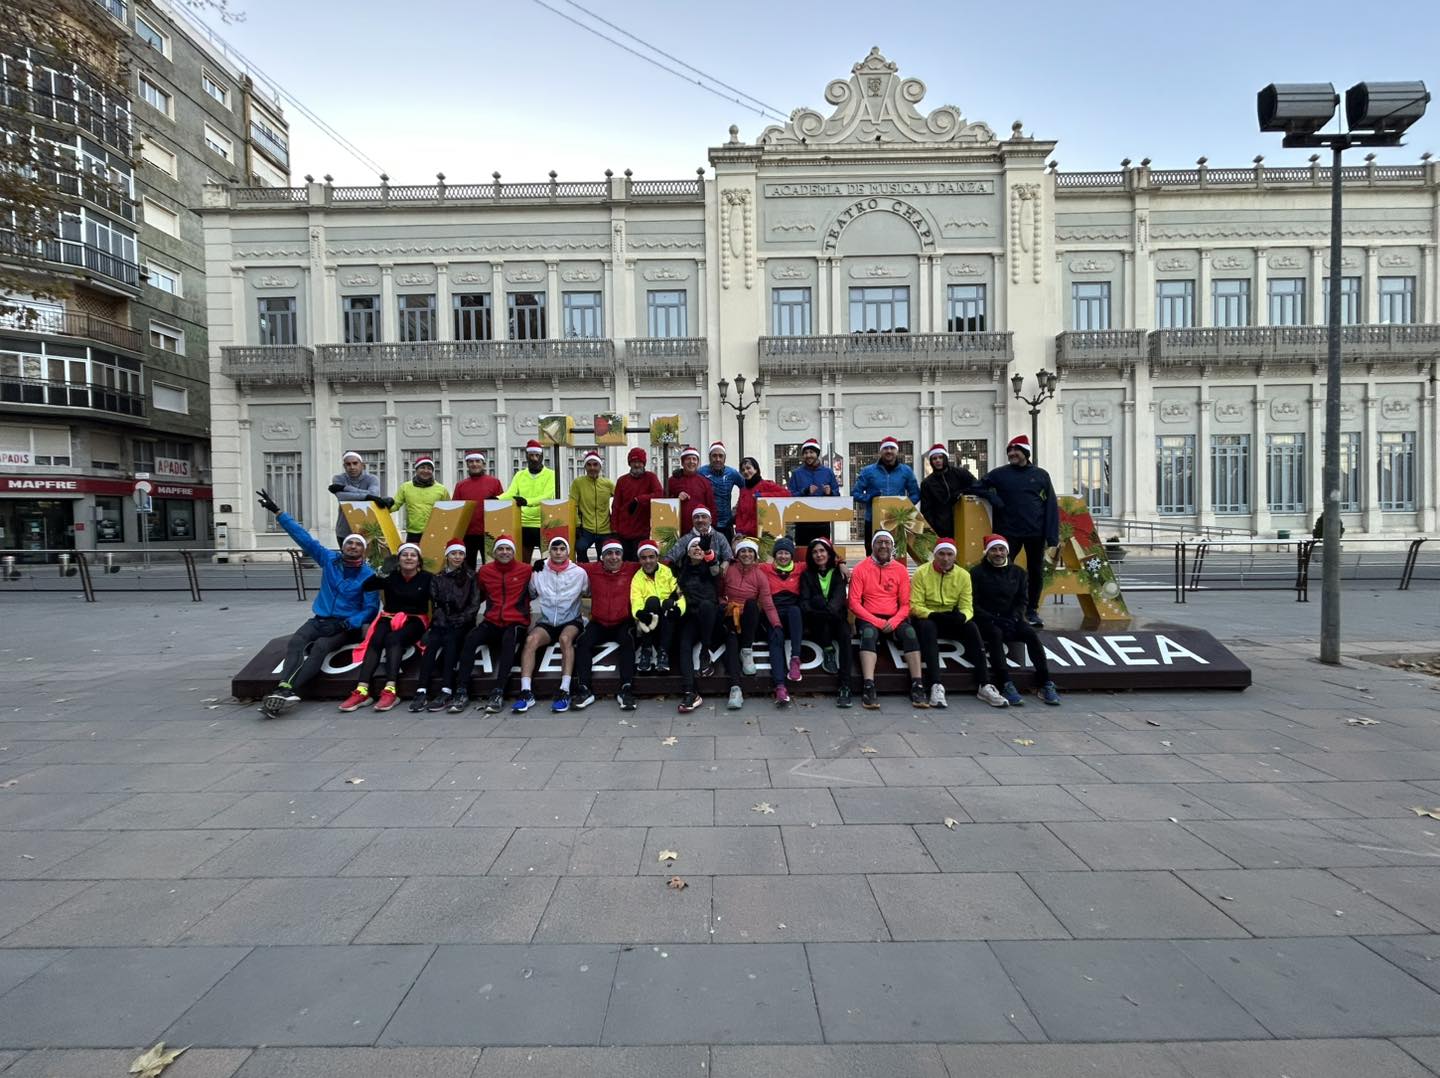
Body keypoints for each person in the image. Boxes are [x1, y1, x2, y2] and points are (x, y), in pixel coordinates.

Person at [254, 488, 379, 717]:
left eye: (357, 545)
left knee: (320, 647)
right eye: (349, 543)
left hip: (344, 626)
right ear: (343, 546)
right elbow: (303, 537)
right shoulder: (329, 560)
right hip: (320, 619)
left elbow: (371, 609)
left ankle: (286, 690)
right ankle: (284, 689)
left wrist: (350, 623)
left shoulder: (368, 575)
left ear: (364, 550)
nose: (352, 547)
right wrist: (279, 513)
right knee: (296, 642)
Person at [911, 538, 1008, 709]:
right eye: (941, 554)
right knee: (927, 628)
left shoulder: (963, 575)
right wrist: (932, 614)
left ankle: (984, 685)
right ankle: (936, 685)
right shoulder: (921, 572)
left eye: (950, 554)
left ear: (954, 556)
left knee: (971, 627)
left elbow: (967, 606)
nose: (945, 558)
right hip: (929, 617)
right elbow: (915, 605)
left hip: (952, 616)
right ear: (935, 555)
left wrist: (963, 617)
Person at [339, 542, 433, 713]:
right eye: (405, 555)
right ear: (398, 560)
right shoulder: (391, 576)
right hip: (389, 617)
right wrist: (381, 572)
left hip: (414, 620)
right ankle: (362, 690)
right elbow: (367, 586)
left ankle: (390, 689)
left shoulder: (427, 578)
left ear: (419, 561)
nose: (409, 558)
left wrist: (433, 628)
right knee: (375, 640)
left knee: (393, 639)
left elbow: (438, 602)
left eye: (413, 555)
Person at [979, 434, 1059, 628]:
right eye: (1010, 451)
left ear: (1026, 452)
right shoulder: (999, 474)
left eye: (1016, 450)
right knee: (1003, 570)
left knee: (1035, 572)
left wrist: (1052, 537)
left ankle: (1032, 610)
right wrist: (993, 498)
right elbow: (976, 486)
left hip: (1035, 532)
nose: (1012, 453)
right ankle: (1005, 609)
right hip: (1008, 532)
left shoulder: (1041, 475)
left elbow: (1051, 505)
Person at [970, 534, 1061, 706]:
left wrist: (1014, 617)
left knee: (1030, 634)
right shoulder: (976, 573)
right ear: (987, 552)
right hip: (988, 620)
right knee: (995, 635)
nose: (998, 553)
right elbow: (973, 603)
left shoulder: (1019, 572)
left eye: (1001, 549)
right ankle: (1005, 683)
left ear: (1007, 551)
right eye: (994, 550)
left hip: (1011, 618)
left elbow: (1022, 600)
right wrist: (991, 618)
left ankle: (1045, 682)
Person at [847, 529, 926, 710]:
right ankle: (868, 685)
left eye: (887, 542)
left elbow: (906, 604)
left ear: (892, 546)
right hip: (869, 617)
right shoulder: (861, 568)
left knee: (910, 632)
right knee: (867, 634)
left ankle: (917, 684)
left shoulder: (900, 570)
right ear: (872, 545)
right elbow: (854, 603)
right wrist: (878, 622)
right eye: (879, 542)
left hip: (894, 617)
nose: (883, 546)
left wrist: (895, 620)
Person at [454, 534, 532, 713]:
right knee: (471, 639)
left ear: (514, 552)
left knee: (509, 640)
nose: (504, 552)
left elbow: (537, 589)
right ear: (494, 552)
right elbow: (477, 597)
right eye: (501, 549)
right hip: (492, 620)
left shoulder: (526, 570)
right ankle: (462, 690)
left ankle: (498, 691)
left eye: (508, 549)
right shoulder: (485, 571)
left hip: (516, 622)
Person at [513, 536, 589, 714]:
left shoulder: (579, 573)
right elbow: (531, 594)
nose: (558, 552)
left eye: (562, 549)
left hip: (571, 620)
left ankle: (564, 689)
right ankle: (526, 691)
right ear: (550, 551)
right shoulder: (539, 571)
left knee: (565, 639)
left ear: (568, 551)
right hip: (547, 621)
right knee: (531, 640)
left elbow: (589, 592)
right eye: (555, 549)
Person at [410, 541, 481, 713]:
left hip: (462, 623)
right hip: (442, 622)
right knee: (432, 643)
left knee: (451, 641)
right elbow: (436, 604)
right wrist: (440, 622)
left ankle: (446, 689)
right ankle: (421, 690)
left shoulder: (471, 577)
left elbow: (474, 604)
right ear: (447, 555)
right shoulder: (438, 578)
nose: (457, 557)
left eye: (460, 554)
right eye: (453, 553)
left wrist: (461, 619)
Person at [722, 538, 789, 709]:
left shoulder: (760, 575)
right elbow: (719, 593)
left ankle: (746, 650)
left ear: (755, 555)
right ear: (738, 554)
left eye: (750, 551)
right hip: (730, 616)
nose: (746, 554)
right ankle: (735, 688)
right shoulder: (728, 570)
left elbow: (767, 603)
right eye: (743, 551)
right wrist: (725, 605)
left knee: (752, 604)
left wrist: (777, 625)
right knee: (730, 640)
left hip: (750, 622)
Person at [572, 540, 639, 710]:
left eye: (617, 553)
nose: (613, 557)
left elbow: (656, 562)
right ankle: (585, 689)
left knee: (628, 641)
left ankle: (626, 688)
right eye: (609, 553)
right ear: (602, 557)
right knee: (582, 642)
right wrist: (543, 564)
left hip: (623, 622)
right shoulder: (592, 569)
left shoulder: (631, 568)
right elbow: (567, 564)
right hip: (599, 622)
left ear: (622, 556)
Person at [799, 537, 853, 708]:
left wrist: (824, 610)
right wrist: (819, 609)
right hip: (816, 619)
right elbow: (805, 603)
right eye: (815, 552)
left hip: (836, 617)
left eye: (822, 551)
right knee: (817, 604)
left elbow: (838, 599)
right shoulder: (807, 575)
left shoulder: (838, 572)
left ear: (829, 553)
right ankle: (828, 650)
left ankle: (845, 686)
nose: (819, 555)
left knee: (845, 636)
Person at [673, 534, 724, 713]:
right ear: (687, 552)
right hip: (692, 617)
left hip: (712, 618)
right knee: (684, 645)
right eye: (693, 547)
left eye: (699, 547)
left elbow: (715, 568)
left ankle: (705, 652)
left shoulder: (709, 568)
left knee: (706, 605)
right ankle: (690, 692)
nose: (697, 549)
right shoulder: (682, 570)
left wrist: (708, 551)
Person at [851, 436, 920, 552]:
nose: (889, 451)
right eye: (886, 448)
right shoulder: (868, 471)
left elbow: (916, 494)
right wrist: (869, 498)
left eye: (892, 448)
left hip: (897, 521)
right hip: (873, 520)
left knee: (897, 553)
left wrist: (904, 507)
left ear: (897, 451)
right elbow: (855, 493)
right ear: (880, 451)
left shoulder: (906, 471)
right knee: (872, 554)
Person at [631, 539, 684, 685]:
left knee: (668, 604)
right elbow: (635, 600)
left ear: (657, 557)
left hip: (667, 618)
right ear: (639, 559)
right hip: (649, 620)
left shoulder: (667, 572)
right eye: (644, 558)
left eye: (651, 557)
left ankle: (663, 653)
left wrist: (678, 609)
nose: (648, 561)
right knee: (652, 601)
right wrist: (639, 613)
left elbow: (680, 594)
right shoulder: (637, 578)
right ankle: (646, 651)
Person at [760, 536, 804, 683]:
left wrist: (841, 563)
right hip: (774, 611)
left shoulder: (800, 567)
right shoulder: (765, 568)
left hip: (793, 614)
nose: (783, 556)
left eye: (786, 553)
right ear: (775, 554)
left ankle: (795, 659)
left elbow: (826, 560)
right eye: (780, 553)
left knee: (795, 611)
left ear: (791, 555)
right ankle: (779, 685)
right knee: (775, 638)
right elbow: (745, 564)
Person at [502, 439, 555, 563]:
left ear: (542, 456)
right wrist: (497, 499)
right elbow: (511, 493)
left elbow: (547, 496)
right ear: (526, 456)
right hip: (524, 523)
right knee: (523, 562)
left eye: (537, 455)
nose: (534, 458)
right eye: (531, 455)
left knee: (547, 563)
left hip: (544, 523)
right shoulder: (520, 475)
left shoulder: (551, 474)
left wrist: (526, 501)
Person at [919, 443, 981, 539]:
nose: (938, 461)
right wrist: (933, 529)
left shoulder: (961, 473)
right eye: (934, 459)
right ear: (931, 461)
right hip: (942, 527)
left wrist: (962, 492)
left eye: (940, 457)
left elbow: (977, 486)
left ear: (945, 458)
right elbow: (926, 510)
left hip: (965, 522)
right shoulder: (927, 483)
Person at [453, 451, 502, 569]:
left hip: (489, 533)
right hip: (467, 534)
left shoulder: (494, 482)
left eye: (477, 461)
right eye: (471, 461)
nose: (474, 464)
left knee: (491, 566)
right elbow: (456, 510)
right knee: (467, 567)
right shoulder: (460, 485)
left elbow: (501, 507)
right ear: (467, 465)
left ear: (483, 464)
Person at [787, 437, 840, 548]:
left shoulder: (828, 472)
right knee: (802, 553)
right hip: (802, 522)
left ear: (817, 454)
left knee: (822, 552)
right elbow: (789, 496)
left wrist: (830, 492)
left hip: (822, 521)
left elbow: (837, 495)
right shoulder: (797, 473)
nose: (808, 455)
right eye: (805, 453)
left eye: (811, 452)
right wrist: (805, 491)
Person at [612, 447, 662, 560]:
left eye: (639, 462)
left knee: (639, 561)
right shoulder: (622, 481)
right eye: (634, 462)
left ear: (644, 463)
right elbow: (616, 506)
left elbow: (659, 494)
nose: (637, 465)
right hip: (623, 531)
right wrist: (614, 529)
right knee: (624, 563)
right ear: (630, 463)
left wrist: (639, 500)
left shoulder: (651, 477)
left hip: (642, 531)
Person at [386, 458, 451, 543]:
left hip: (435, 531)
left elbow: (448, 510)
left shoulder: (441, 489)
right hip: (413, 532)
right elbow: (396, 505)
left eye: (429, 468)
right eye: (422, 467)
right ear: (416, 470)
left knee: (431, 556)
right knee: (411, 556)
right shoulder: (405, 487)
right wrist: (384, 506)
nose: (426, 471)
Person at [328, 451, 382, 546]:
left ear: (362, 465)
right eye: (348, 464)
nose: (352, 467)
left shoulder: (372, 479)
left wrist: (345, 488)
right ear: (344, 466)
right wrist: (367, 496)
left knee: (369, 560)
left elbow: (374, 494)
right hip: (344, 529)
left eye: (355, 463)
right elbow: (342, 497)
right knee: (348, 559)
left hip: (368, 528)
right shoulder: (339, 479)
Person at [569, 450, 615, 563]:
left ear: (600, 466)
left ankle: (600, 577)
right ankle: (585, 572)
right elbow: (572, 504)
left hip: (605, 529)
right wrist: (577, 525)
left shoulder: (608, 483)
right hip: (586, 528)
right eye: (589, 465)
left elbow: (621, 501)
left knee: (604, 556)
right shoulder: (578, 483)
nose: (592, 468)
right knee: (580, 548)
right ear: (585, 467)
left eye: (595, 464)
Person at [733, 456, 788, 542]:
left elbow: (786, 494)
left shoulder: (766, 484)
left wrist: (763, 496)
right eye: (743, 470)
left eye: (748, 468)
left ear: (756, 469)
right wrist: (739, 530)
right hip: (746, 536)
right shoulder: (743, 490)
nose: (746, 472)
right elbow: (740, 514)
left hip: (764, 536)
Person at [667, 445, 716, 535]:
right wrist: (676, 499)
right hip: (676, 530)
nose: (691, 462)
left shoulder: (704, 482)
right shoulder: (672, 481)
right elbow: (663, 503)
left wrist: (711, 528)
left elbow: (711, 506)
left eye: (694, 459)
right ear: (682, 462)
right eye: (688, 459)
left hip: (699, 530)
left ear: (698, 463)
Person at [664, 506, 733, 567]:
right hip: (691, 577)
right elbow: (669, 558)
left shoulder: (719, 537)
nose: (700, 520)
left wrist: (726, 563)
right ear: (693, 521)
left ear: (710, 520)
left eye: (704, 517)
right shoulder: (685, 539)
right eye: (696, 517)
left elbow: (729, 557)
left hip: (714, 576)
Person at [702, 441, 743, 539]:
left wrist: (738, 506)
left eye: (721, 456)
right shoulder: (701, 472)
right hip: (707, 523)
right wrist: (680, 473)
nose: (717, 459)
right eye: (714, 456)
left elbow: (747, 487)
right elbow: (689, 479)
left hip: (726, 523)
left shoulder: (732, 473)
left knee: (728, 553)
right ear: (709, 457)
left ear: (725, 458)